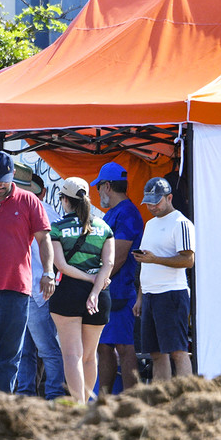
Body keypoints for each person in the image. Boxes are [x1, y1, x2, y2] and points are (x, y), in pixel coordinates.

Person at [0, 151, 56, 393]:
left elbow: (44, 240)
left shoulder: (30, 201)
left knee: (12, 355)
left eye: (6, 180)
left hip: (16, 290)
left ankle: (1, 407)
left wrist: (48, 271)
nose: (1, 185)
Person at [48, 177, 115, 404]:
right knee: (89, 356)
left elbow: (61, 266)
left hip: (68, 291)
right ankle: (86, 406)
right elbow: (109, 264)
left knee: (72, 355)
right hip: (99, 294)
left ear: (65, 200)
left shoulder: (57, 228)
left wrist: (87, 278)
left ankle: (77, 409)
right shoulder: (104, 227)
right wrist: (95, 290)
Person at [133, 176, 196, 382]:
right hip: (151, 294)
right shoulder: (150, 224)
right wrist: (141, 297)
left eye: (156, 201)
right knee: (156, 353)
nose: (152, 206)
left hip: (172, 293)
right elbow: (146, 262)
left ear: (169, 198)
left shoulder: (181, 223)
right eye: (149, 202)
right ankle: (162, 398)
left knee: (177, 350)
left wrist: (155, 259)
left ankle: (186, 396)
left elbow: (188, 260)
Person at [92, 162, 144, 394]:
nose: (98, 192)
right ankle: (103, 399)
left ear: (108, 186)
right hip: (109, 291)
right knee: (104, 346)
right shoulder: (113, 213)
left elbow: (119, 256)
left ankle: (133, 402)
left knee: (125, 347)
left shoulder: (128, 213)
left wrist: (95, 282)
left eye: (99, 187)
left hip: (121, 291)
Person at [16, 175, 66, 399]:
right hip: (33, 287)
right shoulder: (48, 211)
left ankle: (44, 393)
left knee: (38, 349)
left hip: (33, 287)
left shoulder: (34, 210)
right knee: (35, 348)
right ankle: (43, 393)